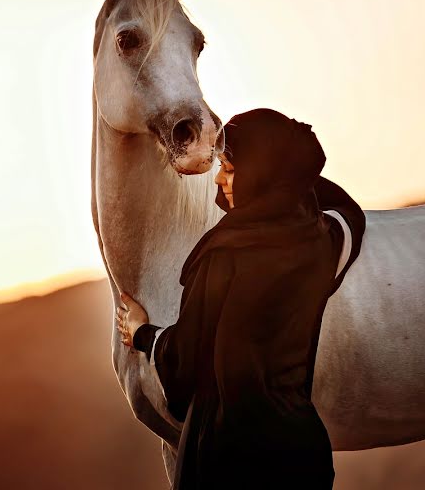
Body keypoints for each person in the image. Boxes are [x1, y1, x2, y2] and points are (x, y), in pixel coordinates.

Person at [116, 108, 366, 490]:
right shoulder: (319, 241)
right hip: (302, 457)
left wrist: (142, 332)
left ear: (262, 175)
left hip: (229, 461)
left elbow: (183, 364)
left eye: (230, 169)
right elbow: (350, 214)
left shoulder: (223, 256)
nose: (218, 179)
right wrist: (291, 174)